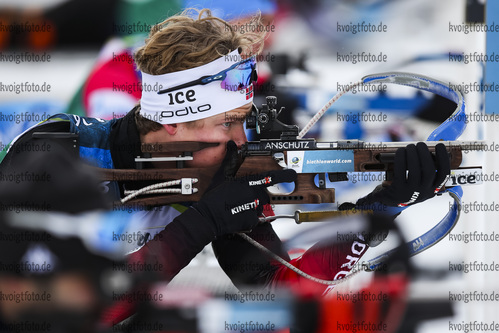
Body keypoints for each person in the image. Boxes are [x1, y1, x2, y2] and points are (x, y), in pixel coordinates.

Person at [0, 8, 450, 326]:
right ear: (173, 121)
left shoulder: (215, 174)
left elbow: (285, 294)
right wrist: (205, 223)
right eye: (227, 123)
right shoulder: (57, 152)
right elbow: (54, 313)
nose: (241, 140)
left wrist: (377, 211)